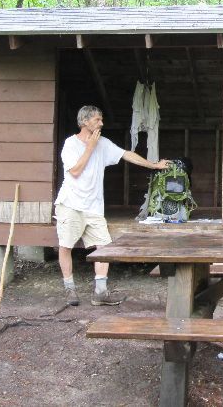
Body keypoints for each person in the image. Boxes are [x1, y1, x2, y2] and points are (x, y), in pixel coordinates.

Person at [55, 105, 170, 306]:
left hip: (94, 206)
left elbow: (126, 154)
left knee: (104, 247)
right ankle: (69, 289)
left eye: (101, 119)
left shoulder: (103, 143)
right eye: (97, 120)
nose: (101, 123)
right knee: (66, 246)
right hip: (71, 204)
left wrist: (154, 165)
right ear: (84, 122)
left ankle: (100, 292)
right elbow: (75, 171)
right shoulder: (70, 144)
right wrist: (90, 147)